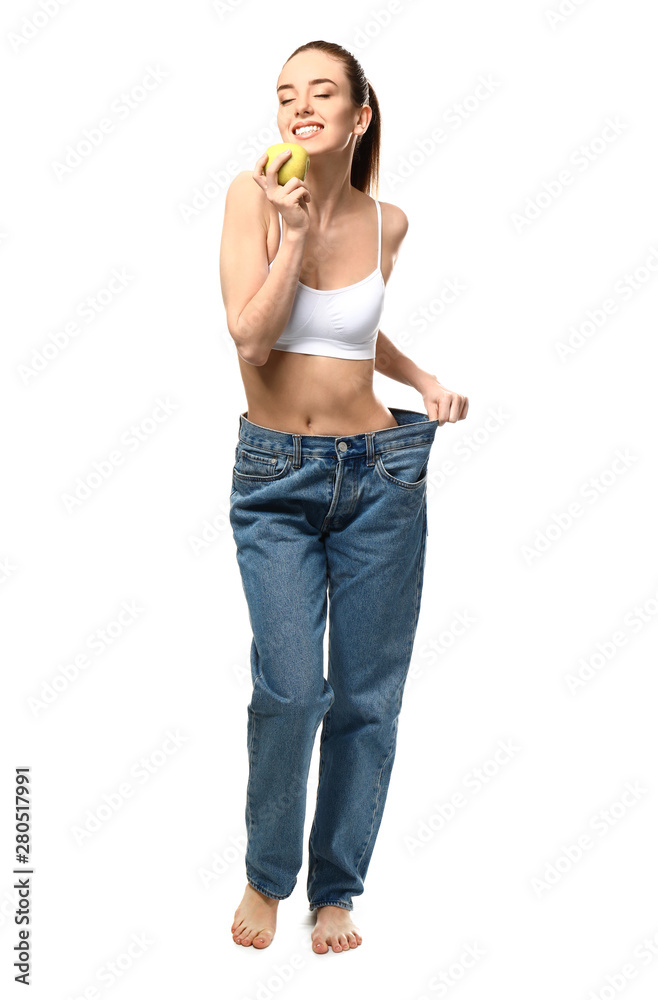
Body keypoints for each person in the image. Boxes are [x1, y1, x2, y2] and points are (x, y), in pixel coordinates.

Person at [219, 39, 468, 955]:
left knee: (368, 698)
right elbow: (254, 340)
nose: (300, 104)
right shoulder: (253, 197)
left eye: (322, 91)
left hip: (383, 474)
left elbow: (353, 335)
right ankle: (265, 875)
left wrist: (424, 376)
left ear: (358, 116)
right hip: (276, 479)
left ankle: (337, 890)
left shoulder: (387, 222)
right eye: (286, 93)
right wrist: (289, 235)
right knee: (291, 692)